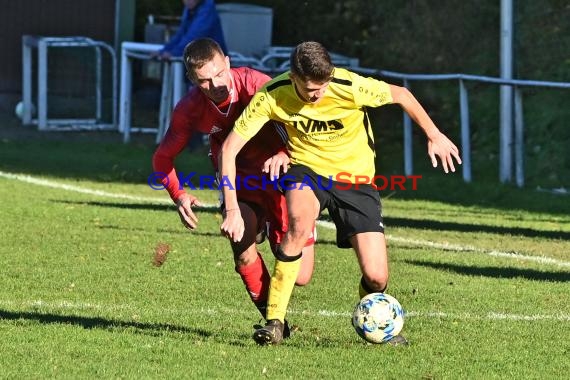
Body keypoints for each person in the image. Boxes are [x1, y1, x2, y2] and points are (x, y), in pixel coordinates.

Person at [219, 41, 462, 346]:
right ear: (293, 77)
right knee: (297, 223)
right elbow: (229, 149)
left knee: (376, 277)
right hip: (307, 170)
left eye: (323, 86)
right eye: (311, 90)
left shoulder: (348, 85)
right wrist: (230, 208)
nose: (319, 94)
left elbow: (401, 95)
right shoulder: (272, 95)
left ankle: (373, 316)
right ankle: (275, 321)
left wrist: (434, 134)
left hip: (356, 179)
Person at [152, 38, 316, 334]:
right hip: (239, 183)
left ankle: (272, 227)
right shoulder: (189, 109)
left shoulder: (257, 86)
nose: (215, 84)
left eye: (218, 73)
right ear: (192, 80)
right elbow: (162, 158)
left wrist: (284, 154)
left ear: (227, 62)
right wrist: (178, 194)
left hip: (282, 178)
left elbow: (304, 128)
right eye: (204, 81)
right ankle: (275, 324)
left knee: (301, 275)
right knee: (241, 245)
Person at [153, 0, 228, 60]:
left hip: (213, 64)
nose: (187, 1)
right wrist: (163, 51)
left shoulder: (207, 9)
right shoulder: (190, 9)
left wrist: (173, 53)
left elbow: (195, 35)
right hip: (199, 60)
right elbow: (181, 34)